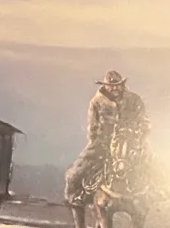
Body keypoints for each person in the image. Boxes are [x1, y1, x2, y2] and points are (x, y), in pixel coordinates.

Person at [63, 71, 150, 205]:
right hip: (104, 142)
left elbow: (144, 120)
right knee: (76, 171)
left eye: (117, 85)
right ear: (105, 85)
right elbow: (93, 125)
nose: (114, 88)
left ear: (122, 85)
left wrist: (139, 136)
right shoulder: (96, 101)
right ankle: (75, 196)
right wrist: (98, 141)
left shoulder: (134, 99)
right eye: (111, 85)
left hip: (132, 141)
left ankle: (159, 194)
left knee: (153, 165)